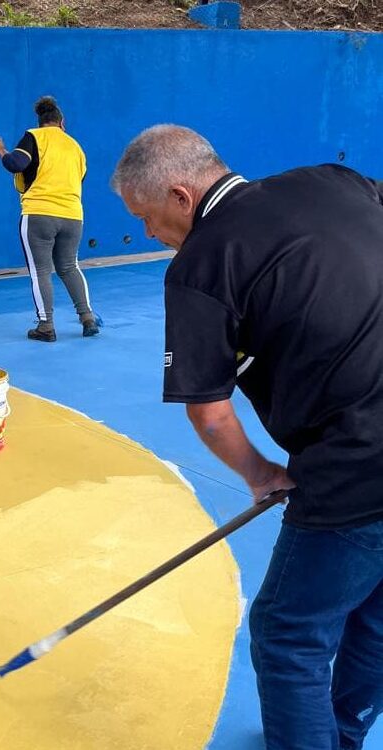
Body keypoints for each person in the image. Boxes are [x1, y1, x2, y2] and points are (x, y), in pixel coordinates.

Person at [111, 124, 383, 750]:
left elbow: (209, 413)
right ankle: (340, 736)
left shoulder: (200, 266)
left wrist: (261, 475)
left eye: (146, 218)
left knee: (289, 634)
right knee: (374, 615)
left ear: (181, 196)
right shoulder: (331, 179)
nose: (148, 234)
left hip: (357, 459)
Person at [0, 95, 99, 341]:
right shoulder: (75, 147)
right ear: (62, 123)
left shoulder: (34, 137)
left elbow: (16, 164)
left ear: (41, 122)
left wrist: (1, 151)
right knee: (69, 266)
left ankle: (46, 325)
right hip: (73, 215)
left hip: (39, 214)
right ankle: (87, 318)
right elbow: (80, 178)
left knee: (41, 270)